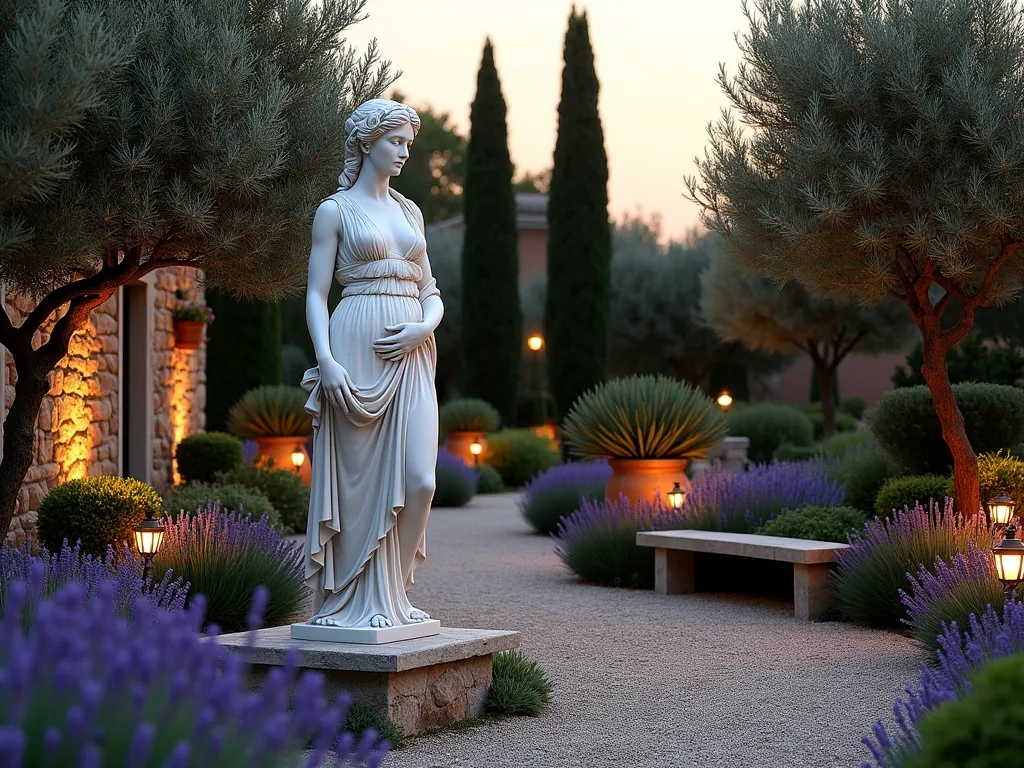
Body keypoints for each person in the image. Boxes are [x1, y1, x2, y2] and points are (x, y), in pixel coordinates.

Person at [300, 98, 442, 631]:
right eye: (396, 142)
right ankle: (357, 603)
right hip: (357, 344)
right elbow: (316, 294)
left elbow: (431, 289)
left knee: (421, 480)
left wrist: (424, 326)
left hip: (413, 350)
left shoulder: (411, 211)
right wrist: (326, 361)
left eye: (408, 142)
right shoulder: (334, 210)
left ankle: (397, 595)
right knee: (359, 485)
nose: (405, 152)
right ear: (366, 142)